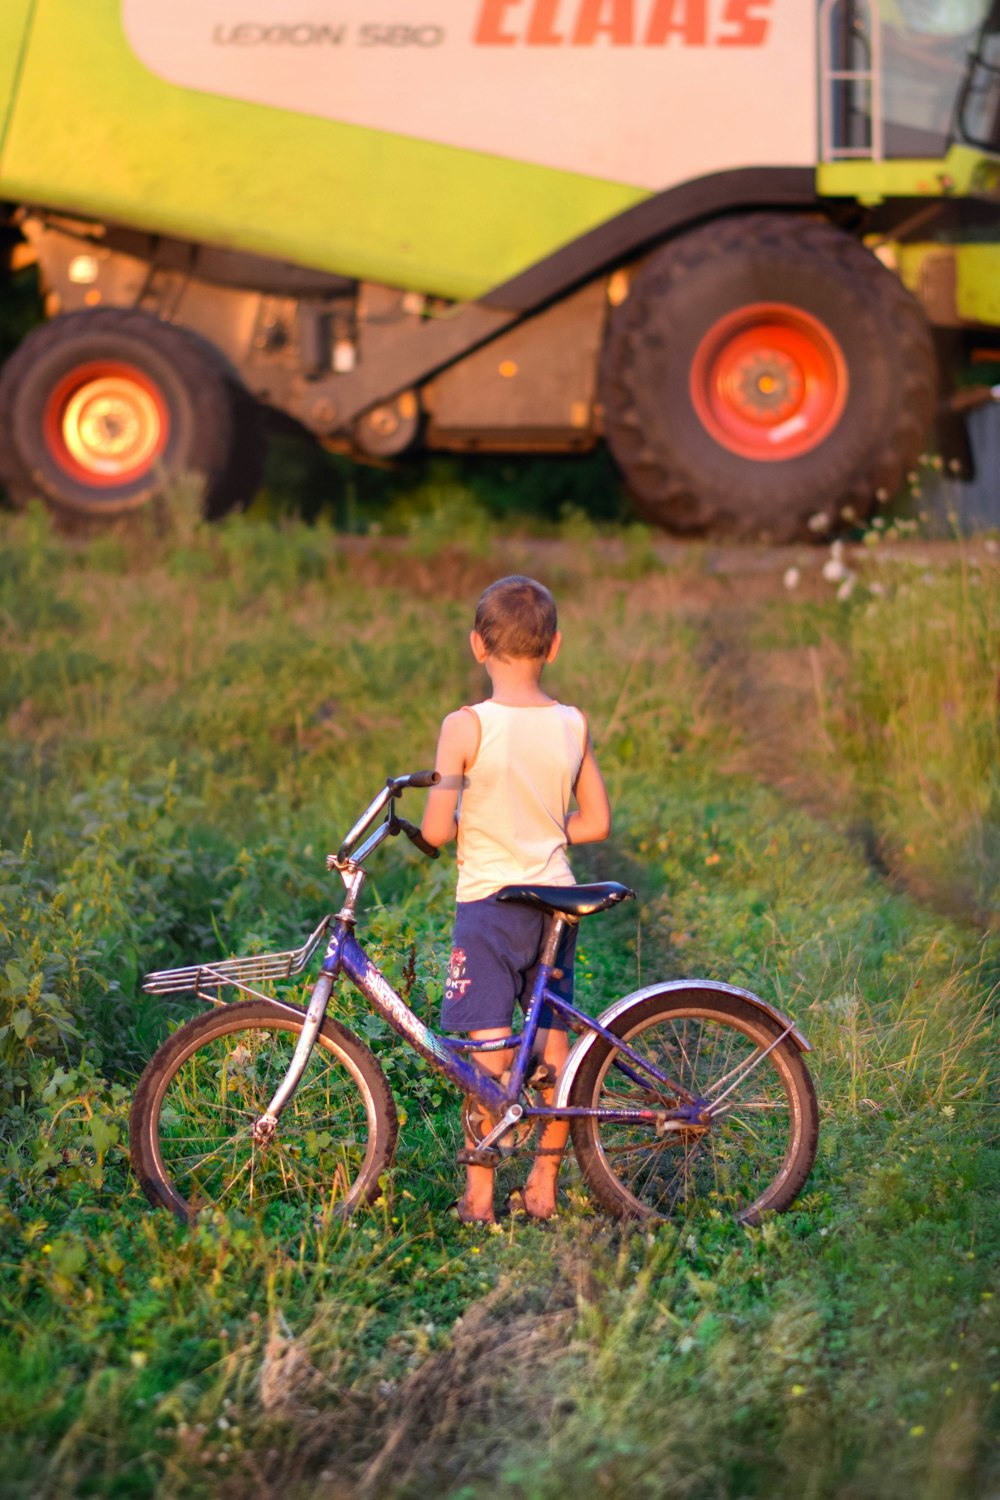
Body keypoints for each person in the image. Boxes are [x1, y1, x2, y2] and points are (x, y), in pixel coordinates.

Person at [420, 575, 611, 1224]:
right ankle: (543, 1190)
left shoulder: (464, 727)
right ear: (553, 647)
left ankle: (478, 1197)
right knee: (552, 1047)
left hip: (489, 907)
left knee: (488, 1057)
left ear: (478, 646)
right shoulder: (571, 724)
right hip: (555, 902)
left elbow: (436, 831)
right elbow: (596, 821)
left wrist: (459, 821)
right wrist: (542, 831)